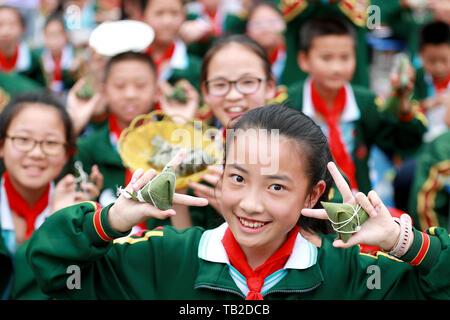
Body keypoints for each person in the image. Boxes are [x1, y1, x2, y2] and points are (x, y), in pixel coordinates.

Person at [25, 104, 450, 300]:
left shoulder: (354, 276)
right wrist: (110, 220)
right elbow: (53, 270)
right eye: (238, 178)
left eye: (277, 187)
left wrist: (403, 243)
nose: (250, 204)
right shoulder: (161, 258)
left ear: (314, 194)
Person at [285, 16, 427, 200]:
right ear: (304, 60)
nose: (337, 67)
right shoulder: (288, 104)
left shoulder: (366, 102)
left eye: (345, 57)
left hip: (359, 203)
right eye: (326, 58)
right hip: (303, 204)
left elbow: (406, 142)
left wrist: (402, 103)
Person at [69, 50, 199, 230]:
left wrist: (182, 126)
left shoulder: (175, 145)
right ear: (104, 92)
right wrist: (73, 126)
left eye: (140, 85)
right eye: (120, 86)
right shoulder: (87, 148)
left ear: (157, 91)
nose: (130, 94)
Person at [0, 92, 103, 299]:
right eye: (23, 139)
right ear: (2, 145)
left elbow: (75, 289)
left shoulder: (77, 216)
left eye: (51, 142)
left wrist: (62, 226)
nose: (37, 153)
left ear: (67, 153)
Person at [142, 0, 202, 90]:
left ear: (184, 16)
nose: (167, 21)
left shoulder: (195, 68)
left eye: (174, 13)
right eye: (159, 13)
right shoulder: (130, 58)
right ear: (144, 17)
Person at [413, 21, 450, 143]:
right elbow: (406, 112)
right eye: (432, 61)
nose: (438, 67)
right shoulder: (414, 79)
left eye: (444, 60)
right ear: (420, 55)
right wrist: (427, 105)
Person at [36, 14, 79, 96]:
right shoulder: (39, 58)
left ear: (66, 35)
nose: (54, 40)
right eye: (50, 35)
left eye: (57, 35)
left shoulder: (76, 56)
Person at [245, 1, 287, 84]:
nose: (265, 29)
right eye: (257, 24)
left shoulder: (293, 54)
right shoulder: (244, 61)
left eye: (272, 22)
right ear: (247, 32)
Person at [0, 5, 43, 84]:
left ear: (22, 28)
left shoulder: (33, 59)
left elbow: (41, 90)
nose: (5, 30)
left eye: (11, 24)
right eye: (1, 24)